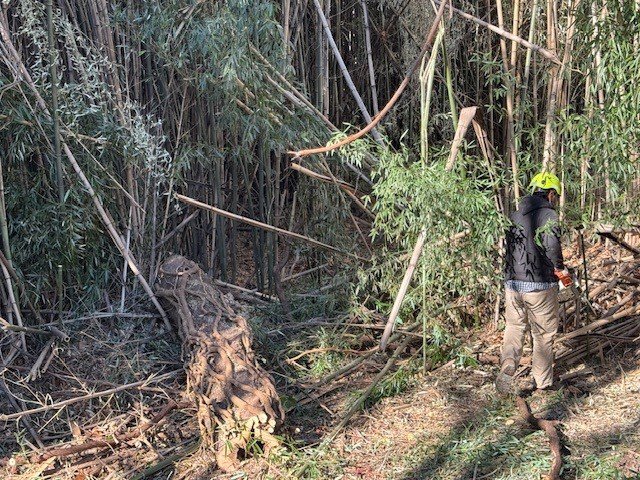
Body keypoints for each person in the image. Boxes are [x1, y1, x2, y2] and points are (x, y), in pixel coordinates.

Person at [495, 172, 571, 395]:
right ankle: (543, 382)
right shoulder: (548, 215)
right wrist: (559, 267)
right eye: (555, 196)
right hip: (539, 285)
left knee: (514, 326)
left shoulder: (516, 214)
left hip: (513, 284)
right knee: (543, 334)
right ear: (550, 194)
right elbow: (551, 247)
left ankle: (508, 362)